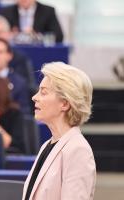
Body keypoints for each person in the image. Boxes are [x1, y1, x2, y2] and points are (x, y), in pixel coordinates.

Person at [23, 62, 95, 200]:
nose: (34, 97)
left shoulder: (78, 150)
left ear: (65, 103)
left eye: (43, 92)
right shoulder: (47, 145)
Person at [0, 0, 64, 43]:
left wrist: (37, 36)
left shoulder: (48, 11)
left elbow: (58, 36)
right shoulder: (6, 12)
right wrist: (12, 35)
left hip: (40, 52)